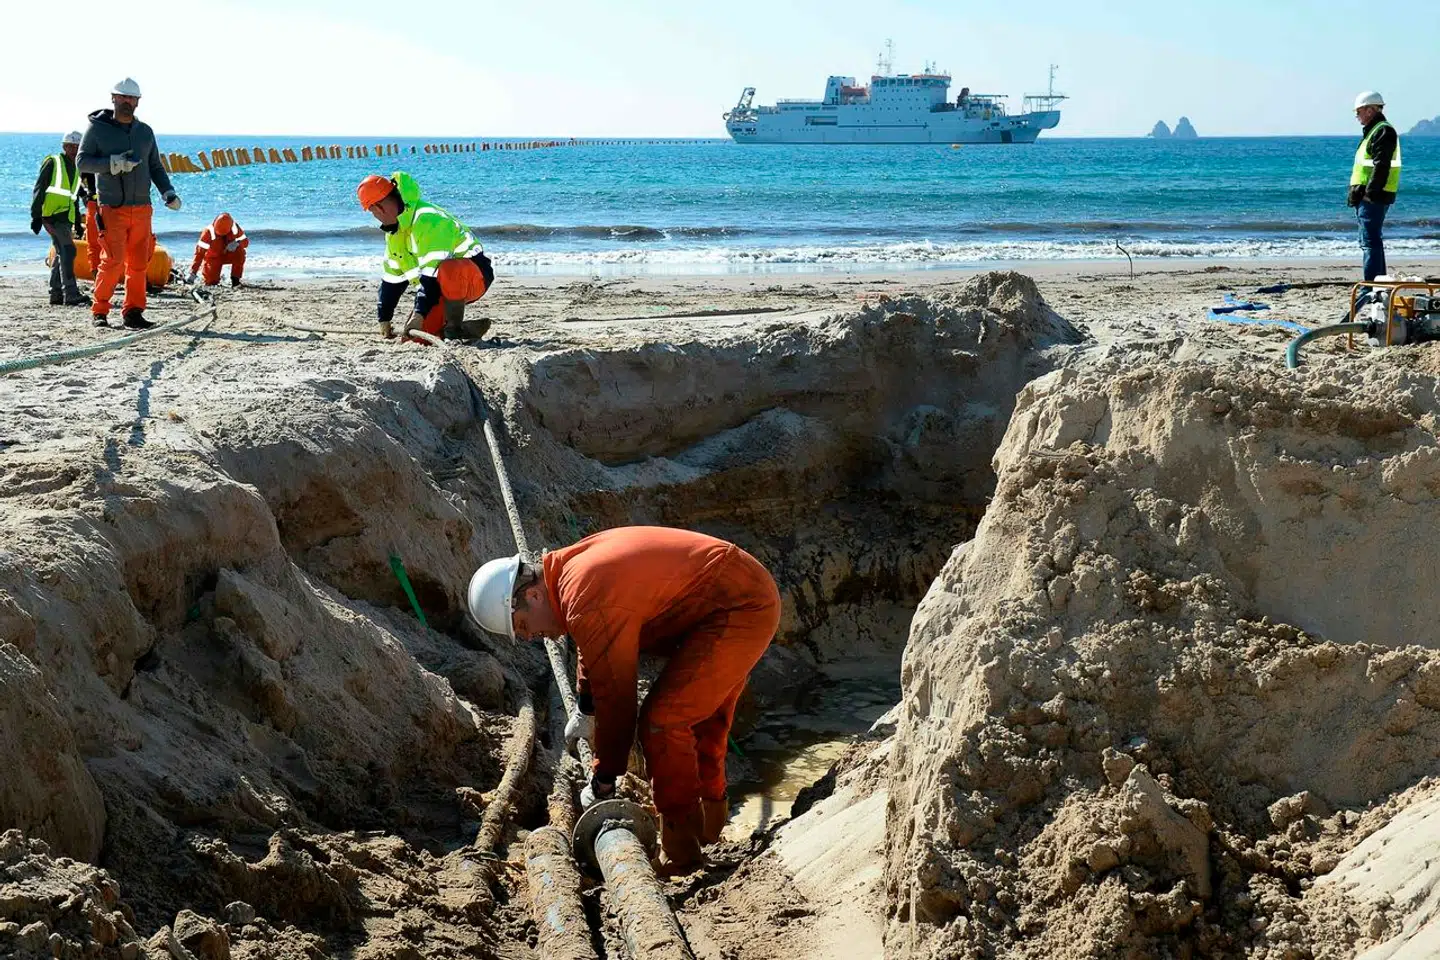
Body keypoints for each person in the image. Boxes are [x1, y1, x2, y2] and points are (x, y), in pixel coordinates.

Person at [467, 527, 781, 872]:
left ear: (533, 596)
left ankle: (681, 854)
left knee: (664, 720)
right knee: (701, 720)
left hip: (740, 606)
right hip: (725, 596)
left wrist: (603, 780)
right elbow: (597, 645)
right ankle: (709, 831)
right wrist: (586, 708)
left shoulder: (583, 593)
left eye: (523, 625)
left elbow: (618, 701)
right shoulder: (569, 575)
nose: (530, 637)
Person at [77, 78, 183, 329]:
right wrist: (113, 164)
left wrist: (168, 192)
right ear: (113, 98)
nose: (127, 102)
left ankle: (133, 313)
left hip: (142, 208)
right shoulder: (96, 129)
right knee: (112, 261)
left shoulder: (145, 132)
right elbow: (82, 162)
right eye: (122, 97)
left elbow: (155, 166)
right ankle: (100, 312)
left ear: (138, 102)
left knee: (139, 264)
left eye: (131, 98)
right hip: (112, 208)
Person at [356, 171, 493, 342]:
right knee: (414, 339)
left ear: (378, 208)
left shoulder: (428, 220)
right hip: (438, 289)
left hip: (472, 277)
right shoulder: (395, 234)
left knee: (447, 270)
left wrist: (419, 314)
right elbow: (392, 280)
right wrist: (384, 317)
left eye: (372, 212)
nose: (375, 217)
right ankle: (464, 330)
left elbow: (432, 274)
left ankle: (454, 328)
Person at [30, 131, 90, 307]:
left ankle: (56, 294)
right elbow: (39, 189)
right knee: (68, 250)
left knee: (60, 252)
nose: (74, 150)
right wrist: (36, 216)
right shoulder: (53, 162)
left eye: (77, 147)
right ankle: (70, 293)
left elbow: (73, 193)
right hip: (52, 215)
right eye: (70, 146)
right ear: (64, 147)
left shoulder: (79, 167)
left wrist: (78, 221)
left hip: (66, 215)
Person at [1348, 91, 1401, 282]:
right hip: (1369, 196)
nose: (1357, 116)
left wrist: (1369, 194)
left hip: (1374, 197)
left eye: (1359, 111)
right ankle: (1378, 283)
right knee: (1371, 241)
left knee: (1370, 243)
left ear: (1370, 110)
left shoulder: (1382, 130)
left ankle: (1371, 284)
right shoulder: (1374, 130)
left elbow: (1382, 165)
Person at [188, 213, 248, 286]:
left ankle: (235, 280)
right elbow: (199, 254)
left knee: (240, 252)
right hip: (213, 258)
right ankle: (211, 280)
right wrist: (193, 273)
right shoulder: (208, 232)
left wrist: (237, 243)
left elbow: (246, 243)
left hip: (228, 254)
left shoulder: (235, 227)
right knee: (211, 282)